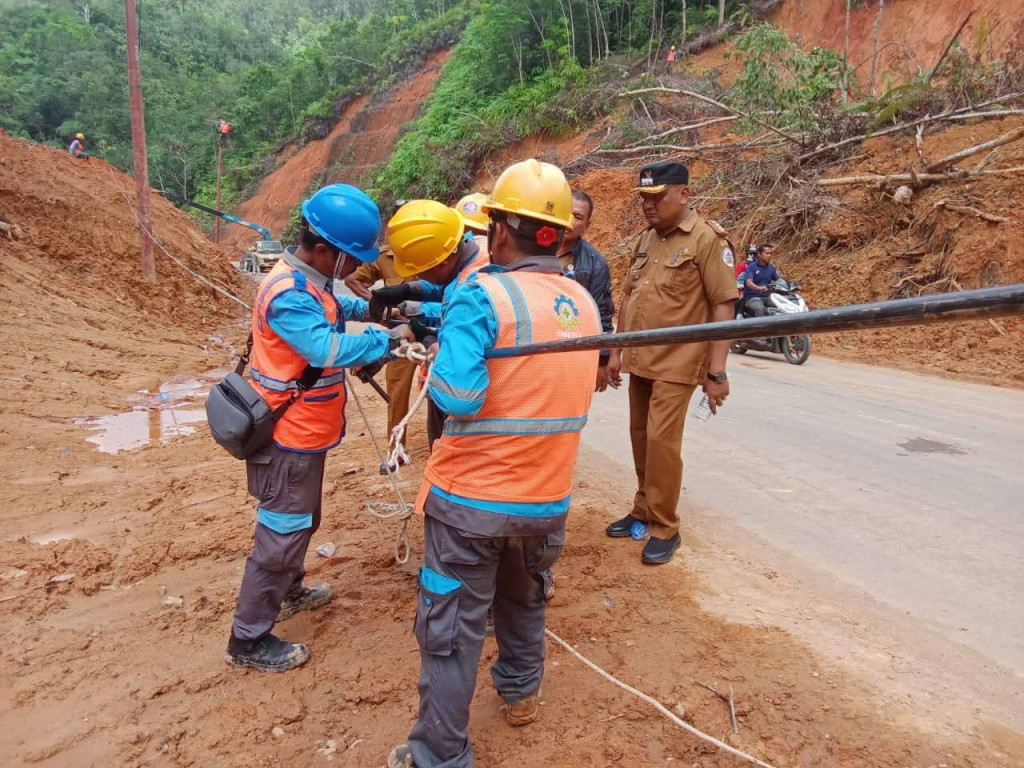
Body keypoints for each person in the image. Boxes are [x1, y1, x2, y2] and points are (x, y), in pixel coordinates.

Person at [387, 160, 602, 768]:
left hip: (470, 504)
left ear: (499, 230)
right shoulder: (582, 301)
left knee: (451, 632)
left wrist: (434, 362)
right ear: (556, 234)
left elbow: (458, 397)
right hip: (546, 499)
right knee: (523, 602)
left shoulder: (481, 297)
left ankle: (439, 754)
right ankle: (520, 693)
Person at [225, 184, 413, 673]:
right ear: (325, 250)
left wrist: (378, 308)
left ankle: (289, 590)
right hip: (287, 438)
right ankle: (248, 638)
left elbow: (334, 309)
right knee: (281, 534)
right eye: (351, 259)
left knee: (303, 521)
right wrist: (387, 340)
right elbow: (325, 348)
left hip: (306, 436)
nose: (353, 268)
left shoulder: (310, 282)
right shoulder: (288, 294)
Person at [605, 162, 737, 565]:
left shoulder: (706, 239)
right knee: (640, 436)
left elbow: (723, 304)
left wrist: (717, 371)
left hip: (678, 362)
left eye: (657, 196)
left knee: (662, 442)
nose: (648, 205)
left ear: (683, 194)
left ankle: (664, 526)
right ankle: (643, 508)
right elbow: (629, 296)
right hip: (641, 358)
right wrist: (617, 351)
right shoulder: (647, 239)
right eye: (644, 198)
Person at [370, 197, 491, 449]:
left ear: (443, 262)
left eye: (421, 271)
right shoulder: (475, 248)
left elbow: (458, 396)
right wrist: (406, 291)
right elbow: (442, 282)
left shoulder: (470, 289)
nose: (419, 276)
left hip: (469, 390)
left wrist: (425, 336)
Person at [344, 241, 419, 473]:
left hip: (439, 332)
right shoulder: (387, 256)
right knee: (397, 393)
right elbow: (352, 279)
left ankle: (445, 446)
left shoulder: (441, 248)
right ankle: (396, 450)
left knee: (444, 390)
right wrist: (378, 306)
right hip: (403, 333)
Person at [556, 188, 616, 392]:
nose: (569, 220)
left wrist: (602, 361)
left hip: (572, 350)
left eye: (578, 217)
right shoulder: (533, 247)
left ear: (587, 225)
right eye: (566, 212)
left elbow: (603, 316)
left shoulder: (595, 263)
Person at [742, 244, 781, 317]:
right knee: (760, 309)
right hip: (752, 297)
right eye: (767, 253)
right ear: (759, 254)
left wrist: (790, 285)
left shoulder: (771, 267)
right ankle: (761, 325)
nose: (769, 255)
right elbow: (748, 282)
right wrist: (759, 288)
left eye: (770, 253)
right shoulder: (751, 266)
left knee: (781, 306)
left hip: (767, 296)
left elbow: (779, 280)